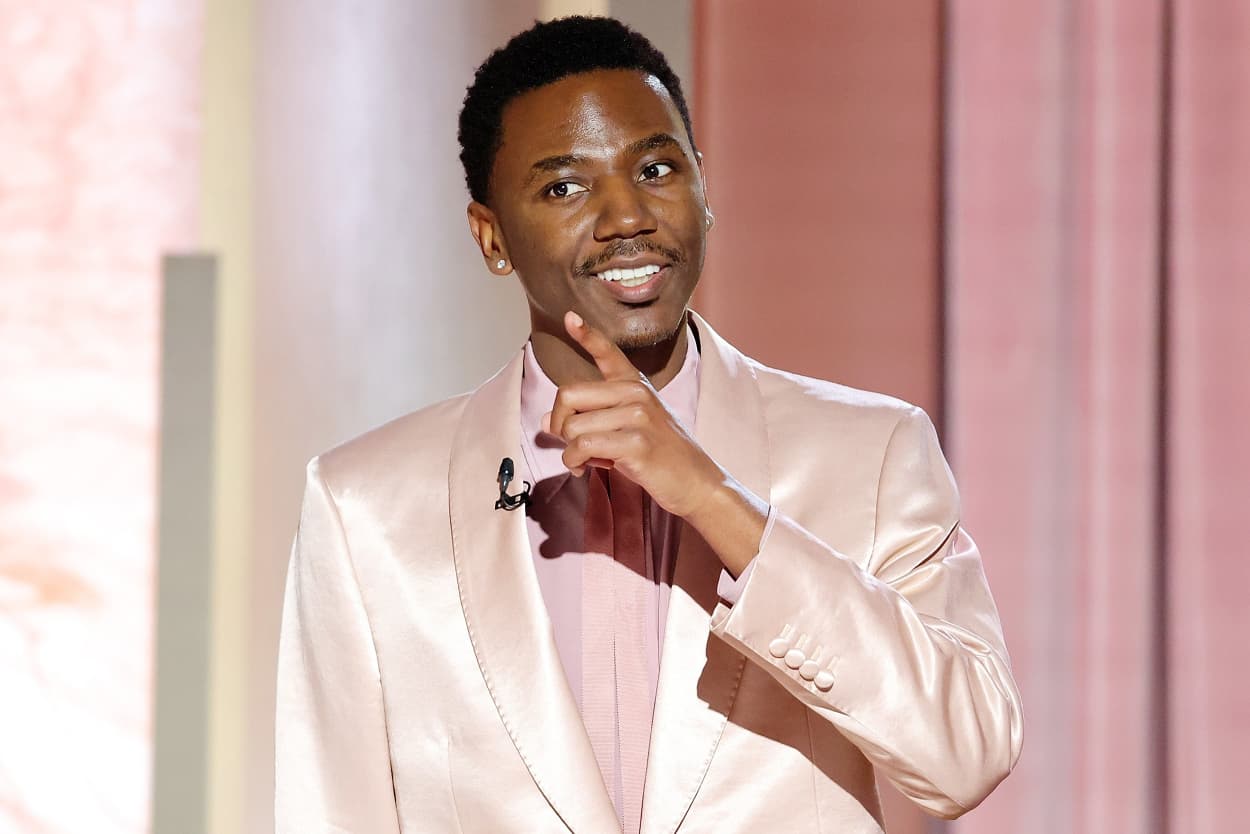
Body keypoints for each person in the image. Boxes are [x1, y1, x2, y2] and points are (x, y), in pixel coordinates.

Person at [275, 15, 1023, 834]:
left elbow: (968, 752)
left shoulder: (872, 452)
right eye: (564, 187)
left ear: (704, 191)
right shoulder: (366, 507)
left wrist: (716, 502)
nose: (626, 214)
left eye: (656, 168)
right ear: (492, 238)